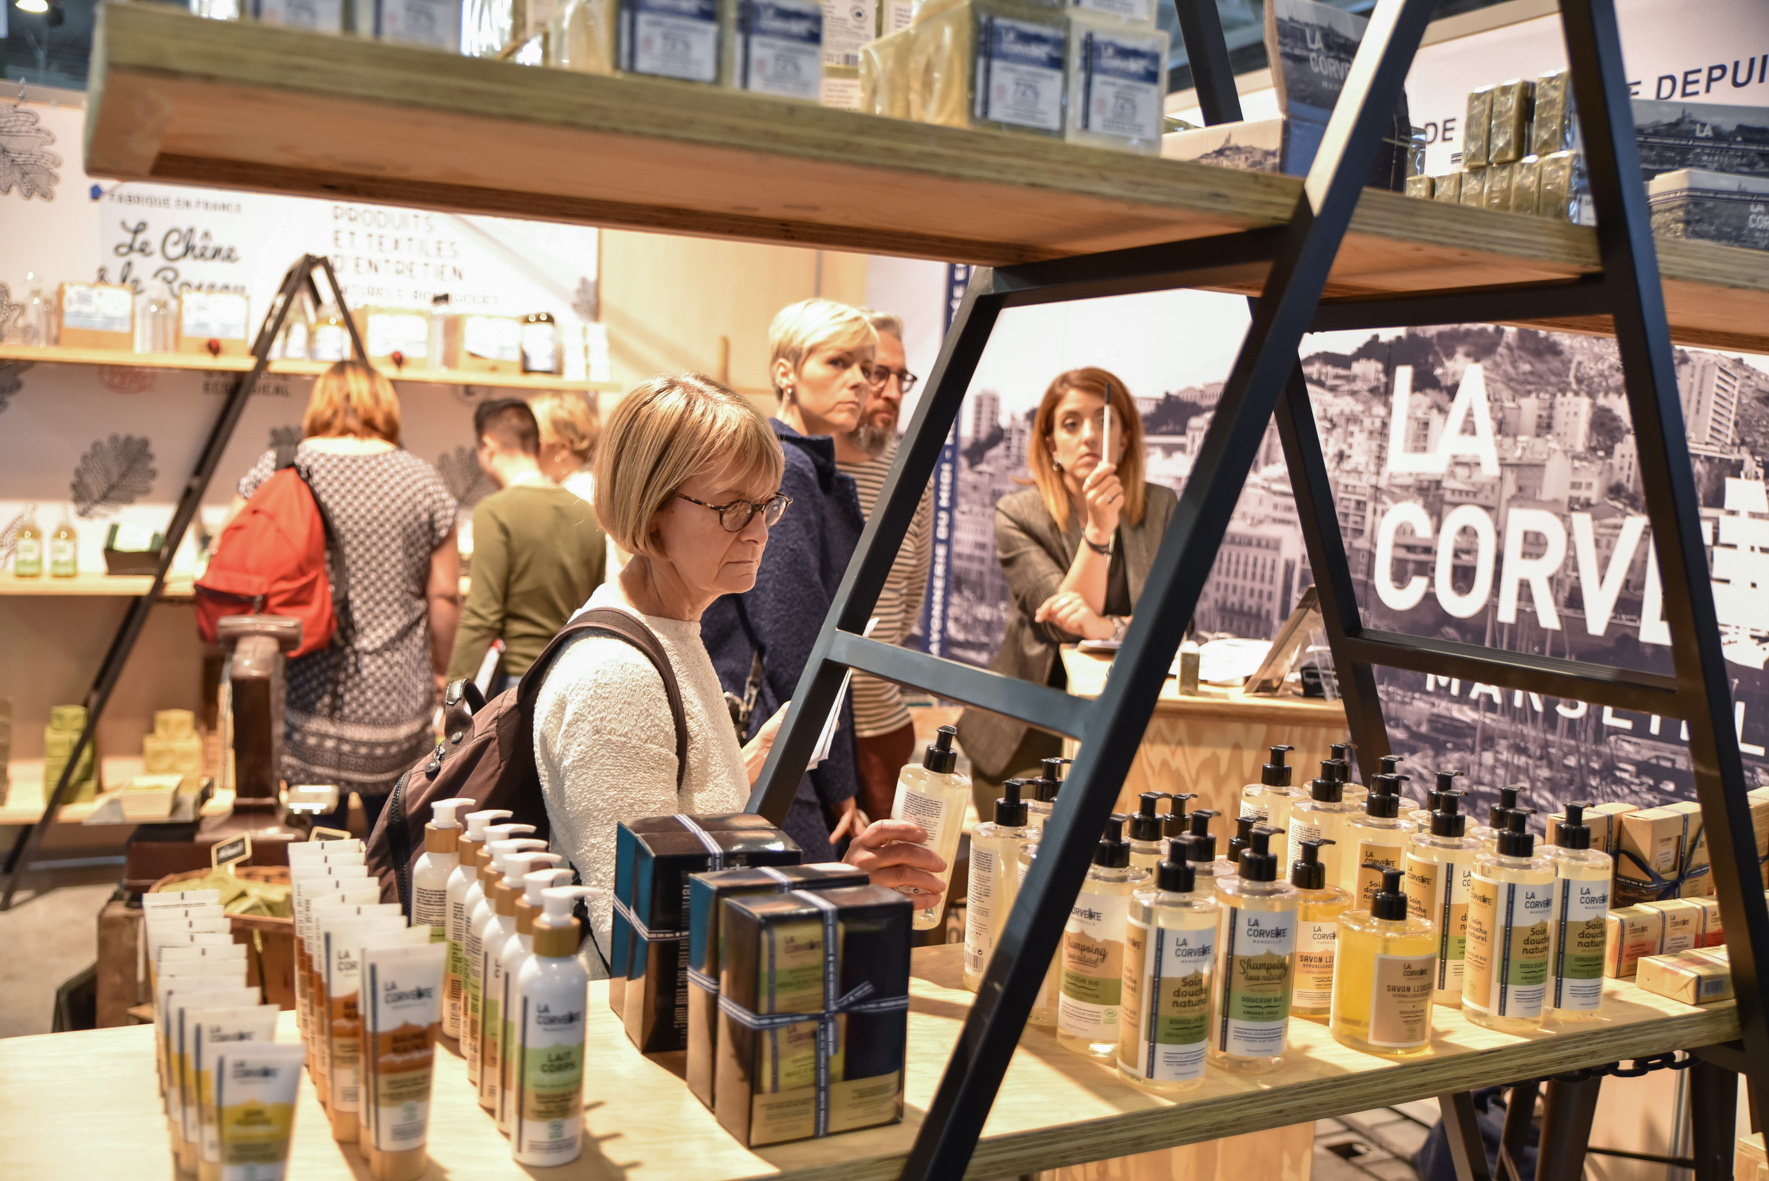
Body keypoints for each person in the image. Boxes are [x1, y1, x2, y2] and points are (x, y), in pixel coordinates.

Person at [533, 373, 946, 960]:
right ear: (653, 512)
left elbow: (683, 824)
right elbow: (647, 935)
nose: (758, 533)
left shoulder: (673, 629)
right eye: (732, 508)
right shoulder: (618, 678)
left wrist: (751, 761)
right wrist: (833, 891)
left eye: (766, 506)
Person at [230, 360, 460, 831]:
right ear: (386, 407)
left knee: (316, 847)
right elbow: (444, 594)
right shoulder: (421, 479)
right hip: (396, 703)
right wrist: (441, 670)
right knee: (395, 844)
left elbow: (230, 554)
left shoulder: (277, 469)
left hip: (306, 696)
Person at [956, 367, 1178, 814]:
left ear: (1126, 438)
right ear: (1051, 445)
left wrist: (1102, 628)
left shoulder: (1161, 507)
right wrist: (1098, 531)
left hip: (1128, 727)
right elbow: (1060, 626)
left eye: (1104, 421)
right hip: (1027, 728)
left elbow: (1176, 626)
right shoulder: (1017, 513)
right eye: (1071, 424)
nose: (1089, 436)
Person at [701, 300, 871, 861]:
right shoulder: (787, 468)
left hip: (777, 721)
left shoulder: (804, 466)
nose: (859, 381)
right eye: (838, 362)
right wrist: (838, 777)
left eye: (866, 367)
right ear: (785, 372)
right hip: (771, 720)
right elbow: (794, 632)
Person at [835, 310, 934, 823]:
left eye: (901, 377)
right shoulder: (800, 469)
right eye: (878, 373)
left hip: (883, 728)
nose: (892, 392)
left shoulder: (911, 470)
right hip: (806, 723)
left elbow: (911, 593)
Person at [445, 398, 607, 694]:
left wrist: (452, 694)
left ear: (488, 445)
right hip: (574, 676)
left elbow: (482, 616)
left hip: (519, 681)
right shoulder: (587, 513)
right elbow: (595, 605)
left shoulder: (496, 511)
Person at [528, 390, 599, 501]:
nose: (527, 448)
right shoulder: (570, 485)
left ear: (562, 448)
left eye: (534, 441)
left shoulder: (580, 493)